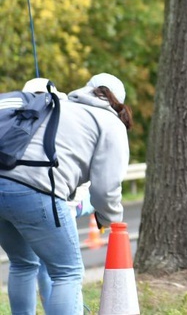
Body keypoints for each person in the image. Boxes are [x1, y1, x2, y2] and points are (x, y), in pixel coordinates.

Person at [0, 73, 131, 314]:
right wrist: (111, 220)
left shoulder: (56, 105)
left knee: (22, 263)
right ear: (118, 103)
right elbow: (105, 189)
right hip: (36, 190)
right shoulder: (110, 123)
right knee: (67, 272)